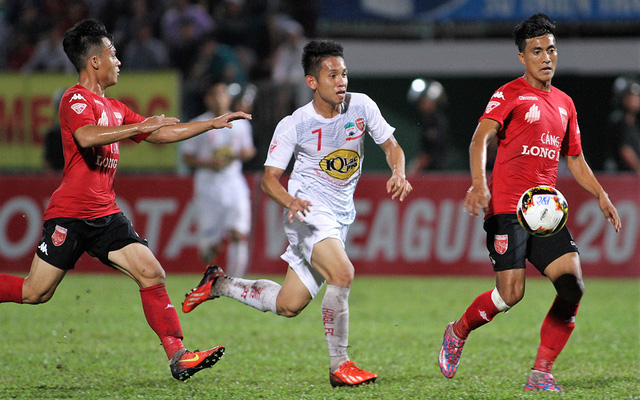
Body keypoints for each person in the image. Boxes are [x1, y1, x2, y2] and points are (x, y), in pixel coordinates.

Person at [0, 19, 250, 381]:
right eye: (113, 54)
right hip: (70, 215)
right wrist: (139, 127)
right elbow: (87, 137)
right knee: (35, 292)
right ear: (95, 62)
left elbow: (160, 131)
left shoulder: (115, 107)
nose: (119, 61)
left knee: (152, 272)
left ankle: (179, 356)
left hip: (106, 214)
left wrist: (210, 124)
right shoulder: (74, 99)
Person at [182, 39, 413, 387]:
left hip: (339, 216)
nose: (341, 81)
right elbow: (268, 181)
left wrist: (399, 171)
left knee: (288, 304)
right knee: (343, 273)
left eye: (344, 74)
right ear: (312, 82)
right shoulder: (295, 124)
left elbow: (392, 146)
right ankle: (340, 365)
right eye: (332, 74)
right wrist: (290, 202)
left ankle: (219, 284)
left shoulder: (362, 107)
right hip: (306, 211)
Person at [438, 14, 622, 391]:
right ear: (522, 57)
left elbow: (574, 158)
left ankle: (541, 372)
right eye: (536, 51)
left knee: (572, 286)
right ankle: (457, 330)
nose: (545, 57)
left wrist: (601, 194)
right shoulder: (509, 94)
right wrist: (478, 184)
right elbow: (479, 140)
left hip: (545, 212)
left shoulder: (565, 104)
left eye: (551, 49)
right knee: (510, 295)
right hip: (506, 208)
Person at [181, 81, 256, 277]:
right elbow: (187, 156)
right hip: (208, 186)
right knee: (211, 247)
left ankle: (236, 282)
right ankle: (208, 275)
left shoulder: (240, 124)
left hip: (234, 184)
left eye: (223, 94)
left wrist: (236, 155)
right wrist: (209, 163)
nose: (220, 98)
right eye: (215, 94)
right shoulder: (198, 124)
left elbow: (249, 150)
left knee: (239, 234)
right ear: (208, 99)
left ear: (228, 97)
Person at [406, 79, 450, 173]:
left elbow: (429, 154)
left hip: (438, 174)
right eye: (421, 102)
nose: (422, 105)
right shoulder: (426, 121)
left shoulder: (438, 122)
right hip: (428, 174)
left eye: (425, 101)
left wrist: (414, 168)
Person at [608, 77, 640, 175]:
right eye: (630, 97)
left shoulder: (632, 121)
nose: (635, 100)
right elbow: (624, 150)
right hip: (620, 176)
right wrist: (638, 168)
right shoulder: (619, 120)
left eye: (637, 97)